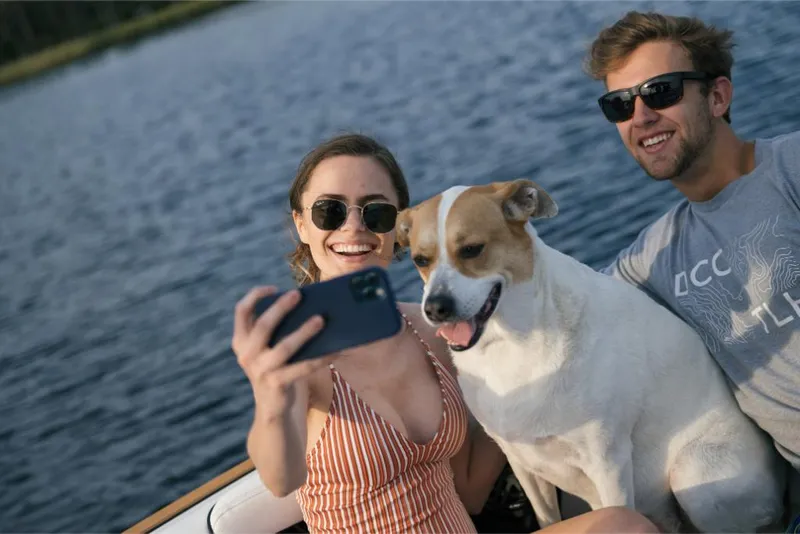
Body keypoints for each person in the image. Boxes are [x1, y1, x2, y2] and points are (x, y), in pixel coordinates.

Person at [232, 132, 659, 533]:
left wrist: (525, 380)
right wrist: (270, 399)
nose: (354, 227)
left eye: (376, 212)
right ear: (302, 224)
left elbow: (470, 490)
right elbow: (281, 478)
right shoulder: (294, 354)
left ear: (400, 228)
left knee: (625, 524)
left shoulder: (436, 333)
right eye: (330, 211)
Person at [585, 9, 800, 528]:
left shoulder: (791, 168)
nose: (640, 117)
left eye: (660, 92)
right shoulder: (649, 263)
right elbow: (556, 312)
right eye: (620, 104)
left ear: (718, 96)